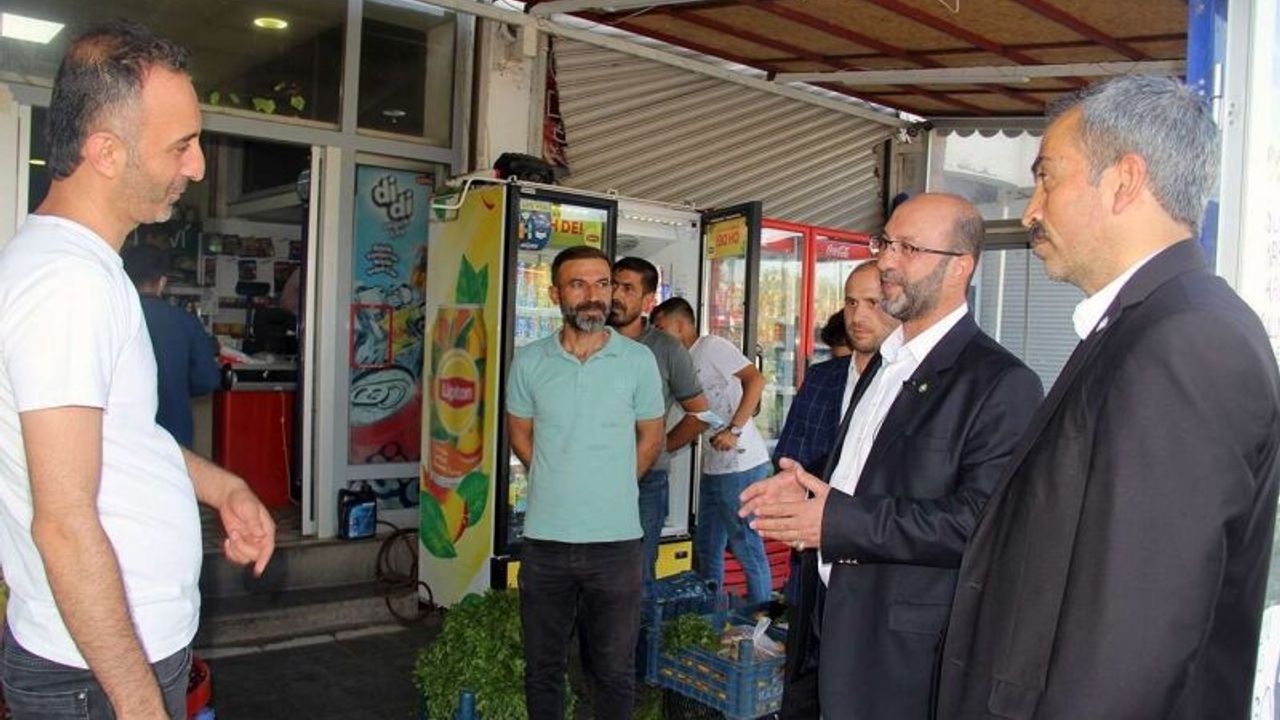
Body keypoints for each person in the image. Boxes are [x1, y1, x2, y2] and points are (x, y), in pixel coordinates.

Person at [937, 76, 1280, 720]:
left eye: (1047, 179)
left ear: (1125, 180)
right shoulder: (1145, 325)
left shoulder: (1187, 340)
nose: (1031, 211)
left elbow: (1134, 645)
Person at [0, 20, 276, 720]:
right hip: (97, 675)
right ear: (106, 152)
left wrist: (221, 487)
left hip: (105, 661)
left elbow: (117, 439)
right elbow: (64, 524)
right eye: (181, 145)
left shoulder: (84, 270)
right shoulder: (67, 286)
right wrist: (137, 702)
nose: (199, 167)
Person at [740, 193, 1043, 719]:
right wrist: (810, 485)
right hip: (823, 622)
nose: (886, 261)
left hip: (900, 653)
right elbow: (868, 471)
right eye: (885, 244)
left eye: (909, 248)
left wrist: (835, 522)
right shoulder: (884, 362)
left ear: (960, 267)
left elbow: (980, 523)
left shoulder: (1001, 383)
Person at [506, 245, 665, 720]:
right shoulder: (529, 362)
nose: (594, 295)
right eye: (578, 284)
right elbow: (520, 434)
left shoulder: (637, 360)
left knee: (614, 671)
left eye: (602, 283)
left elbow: (652, 437)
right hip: (545, 542)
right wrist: (556, 476)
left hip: (616, 543)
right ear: (555, 294)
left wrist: (615, 483)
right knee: (543, 668)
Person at [769, 260, 899, 719]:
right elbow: (789, 456)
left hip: (872, 575)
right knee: (805, 689)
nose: (858, 315)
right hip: (810, 568)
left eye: (874, 303)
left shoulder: (906, 385)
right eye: (850, 302)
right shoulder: (824, 377)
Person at [651, 297, 773, 604]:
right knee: (707, 547)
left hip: (742, 463)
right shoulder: (681, 362)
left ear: (680, 324)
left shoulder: (711, 347)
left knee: (746, 546)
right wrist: (656, 448)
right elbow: (698, 417)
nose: (657, 336)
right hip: (714, 466)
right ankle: (711, 616)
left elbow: (756, 380)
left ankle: (762, 619)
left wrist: (734, 430)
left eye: (660, 328)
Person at [607, 257, 709, 586]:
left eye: (628, 289)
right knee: (588, 571)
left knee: (636, 575)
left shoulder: (666, 349)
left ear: (648, 300)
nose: (616, 295)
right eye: (613, 285)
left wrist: (660, 446)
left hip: (646, 482)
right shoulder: (588, 338)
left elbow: (702, 414)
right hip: (590, 476)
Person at [121, 244, 222, 449]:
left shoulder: (114, 318)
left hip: (123, 436)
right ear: (162, 283)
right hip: (174, 434)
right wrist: (177, 388)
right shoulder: (185, 321)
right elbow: (208, 379)